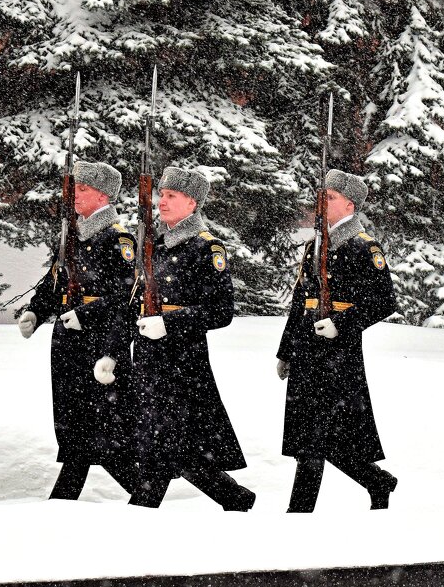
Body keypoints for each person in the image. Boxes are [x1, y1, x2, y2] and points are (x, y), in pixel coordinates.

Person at [98, 166, 255, 511]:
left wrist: (170, 323)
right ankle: (236, 499)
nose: (162, 201)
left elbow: (221, 310)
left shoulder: (205, 248)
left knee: (164, 442)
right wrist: (112, 351)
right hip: (148, 361)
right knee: (173, 447)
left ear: (192, 203)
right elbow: (132, 303)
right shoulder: (152, 245)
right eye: (162, 194)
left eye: (171, 196)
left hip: (183, 363)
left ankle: (142, 511)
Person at [277, 169, 398, 512]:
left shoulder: (363, 246)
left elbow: (384, 301)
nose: (322, 202)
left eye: (329, 198)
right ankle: (377, 481)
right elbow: (300, 302)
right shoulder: (316, 245)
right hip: (307, 350)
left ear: (349, 205)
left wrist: (341, 325)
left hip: (337, 354)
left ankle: (298, 514)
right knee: (318, 437)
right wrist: (286, 351)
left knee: (314, 440)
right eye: (322, 196)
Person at [18, 160, 138, 499]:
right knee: (74, 426)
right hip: (68, 342)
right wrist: (36, 312)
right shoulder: (73, 236)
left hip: (101, 343)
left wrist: (88, 314)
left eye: (82, 189)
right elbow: (55, 281)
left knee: (103, 428)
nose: (74, 195)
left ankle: (144, 496)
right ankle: (67, 499)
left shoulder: (119, 240)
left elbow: (128, 296)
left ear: (102, 196)